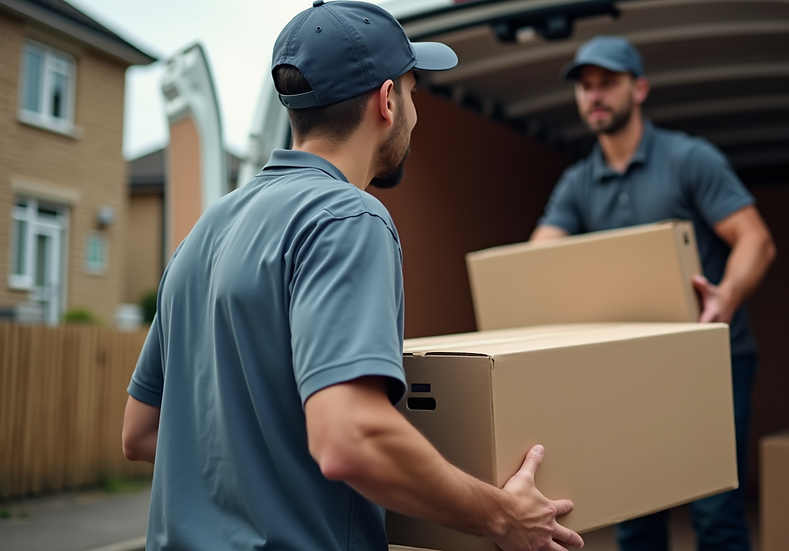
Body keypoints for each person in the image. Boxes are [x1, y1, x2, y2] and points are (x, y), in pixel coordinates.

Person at [121, 3, 584, 551]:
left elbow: (142, 431)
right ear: (386, 101)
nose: (417, 112)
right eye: (414, 92)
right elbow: (349, 438)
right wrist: (504, 516)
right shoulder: (348, 218)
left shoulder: (204, 233)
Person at [530, 36, 776, 551]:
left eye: (608, 84)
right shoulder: (577, 183)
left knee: (714, 513)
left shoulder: (690, 159)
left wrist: (725, 297)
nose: (594, 96)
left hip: (709, 359)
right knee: (634, 515)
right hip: (631, 371)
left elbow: (756, 239)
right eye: (585, 87)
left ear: (638, 89)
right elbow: (537, 263)